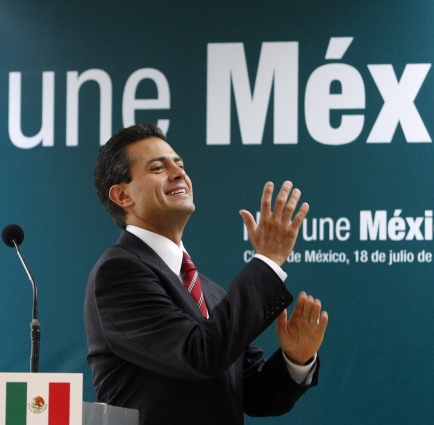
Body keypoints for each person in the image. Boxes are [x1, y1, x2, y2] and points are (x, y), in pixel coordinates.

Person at [84, 123, 328, 425]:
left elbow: (256, 394)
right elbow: (199, 354)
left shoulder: (209, 291)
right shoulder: (119, 272)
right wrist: (267, 260)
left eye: (180, 164)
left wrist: (295, 359)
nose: (178, 173)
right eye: (158, 167)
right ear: (122, 195)